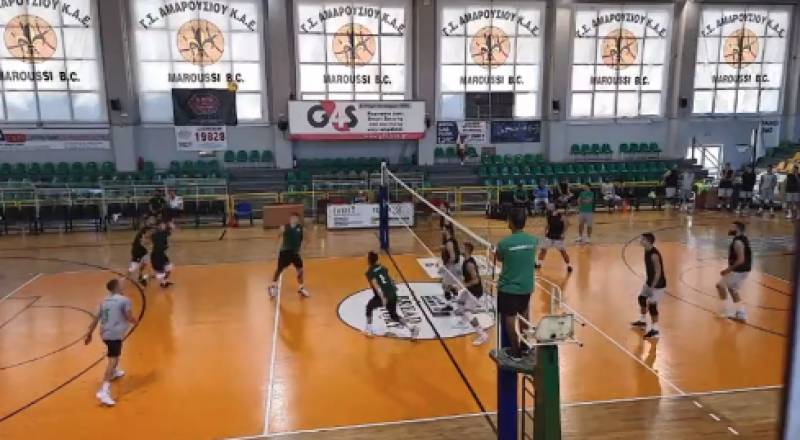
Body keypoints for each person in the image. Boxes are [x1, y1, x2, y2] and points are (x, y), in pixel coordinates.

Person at [84, 278, 138, 407]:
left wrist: (89, 333)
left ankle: (113, 373)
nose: (123, 286)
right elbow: (128, 316)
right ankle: (104, 390)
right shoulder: (124, 300)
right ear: (116, 287)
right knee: (113, 359)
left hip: (105, 334)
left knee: (116, 352)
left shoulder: (104, 301)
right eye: (121, 285)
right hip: (114, 334)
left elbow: (96, 319)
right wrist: (135, 321)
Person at [494, 208, 538, 360]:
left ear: (511, 222)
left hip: (509, 287)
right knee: (524, 315)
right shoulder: (533, 241)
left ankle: (515, 350)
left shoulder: (504, 243)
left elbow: (500, 258)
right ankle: (525, 346)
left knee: (510, 317)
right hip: (526, 287)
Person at [364, 251, 419, 339]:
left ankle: (368, 330)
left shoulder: (370, 272)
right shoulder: (382, 268)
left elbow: (376, 286)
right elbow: (390, 279)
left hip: (383, 296)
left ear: (369, 260)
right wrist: (394, 287)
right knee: (393, 315)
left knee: (369, 307)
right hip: (392, 294)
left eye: (367, 258)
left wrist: (383, 298)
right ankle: (412, 328)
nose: (365, 259)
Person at [451, 241, 489, 346]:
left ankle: (483, 335)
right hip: (470, 289)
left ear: (467, 249)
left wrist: (462, 286)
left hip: (475, 291)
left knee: (467, 312)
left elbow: (476, 280)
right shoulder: (466, 261)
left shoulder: (469, 264)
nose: (460, 248)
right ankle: (463, 323)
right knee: (460, 302)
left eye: (462, 247)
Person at [631, 233, 666, 339]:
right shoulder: (646, 250)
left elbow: (658, 272)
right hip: (649, 282)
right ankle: (642, 321)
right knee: (641, 298)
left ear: (648, 241)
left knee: (652, 305)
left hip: (658, 284)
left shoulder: (654, 255)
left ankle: (655, 330)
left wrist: (652, 287)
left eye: (642, 239)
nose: (640, 241)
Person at [716, 221, 752, 322]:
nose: (729, 229)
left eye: (732, 227)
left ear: (737, 229)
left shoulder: (738, 242)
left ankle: (726, 310)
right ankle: (741, 314)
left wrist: (727, 270)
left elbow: (740, 260)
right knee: (732, 289)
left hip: (738, 270)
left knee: (720, 285)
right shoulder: (744, 239)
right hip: (745, 270)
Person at [269, 212, 310, 298]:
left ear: (298, 219)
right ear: (290, 219)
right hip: (285, 252)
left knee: (300, 270)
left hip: (295, 253)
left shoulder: (302, 229)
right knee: (279, 269)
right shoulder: (284, 227)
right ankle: (273, 286)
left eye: (296, 218)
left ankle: (301, 288)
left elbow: (307, 240)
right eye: (292, 218)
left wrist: (302, 250)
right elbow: (278, 236)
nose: (294, 219)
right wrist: (275, 249)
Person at [536, 204, 572, 272]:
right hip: (549, 236)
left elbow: (567, 224)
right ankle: (539, 263)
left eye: (550, 207)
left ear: (554, 208)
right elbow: (547, 225)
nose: (548, 208)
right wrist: (545, 231)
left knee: (563, 252)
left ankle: (569, 265)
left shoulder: (561, 215)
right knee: (543, 250)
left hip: (558, 237)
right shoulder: (549, 216)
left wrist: (563, 233)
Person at [440, 224, 461, 300]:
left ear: (447, 230)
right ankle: (453, 290)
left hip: (452, 266)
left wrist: (446, 266)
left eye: (443, 229)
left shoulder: (449, 242)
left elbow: (453, 257)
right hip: (452, 265)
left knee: (445, 286)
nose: (442, 231)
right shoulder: (449, 241)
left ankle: (448, 298)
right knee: (445, 284)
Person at [150, 220, 173, 288]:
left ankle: (164, 281)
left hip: (161, 254)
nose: (164, 226)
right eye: (162, 225)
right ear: (159, 226)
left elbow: (167, 234)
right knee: (160, 272)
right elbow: (167, 233)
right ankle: (162, 283)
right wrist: (169, 226)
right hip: (157, 255)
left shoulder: (157, 234)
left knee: (168, 267)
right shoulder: (158, 234)